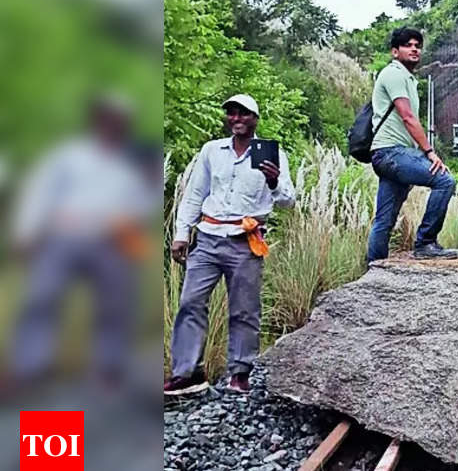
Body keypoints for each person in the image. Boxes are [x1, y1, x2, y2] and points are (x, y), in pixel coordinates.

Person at [8, 93, 156, 389]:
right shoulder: (68, 155)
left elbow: (144, 201)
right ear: (96, 120)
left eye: (118, 121)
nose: (111, 125)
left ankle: (110, 367)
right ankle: (29, 366)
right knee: (41, 297)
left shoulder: (132, 161)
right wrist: (26, 233)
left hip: (111, 240)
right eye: (106, 118)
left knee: (116, 305)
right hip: (63, 234)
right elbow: (41, 192)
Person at [164, 93, 295, 395]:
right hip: (208, 238)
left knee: (244, 309)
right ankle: (186, 372)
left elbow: (289, 200)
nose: (237, 119)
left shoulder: (273, 154)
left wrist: (274, 181)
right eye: (232, 114)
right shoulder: (212, 151)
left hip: (245, 241)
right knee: (190, 302)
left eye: (244, 114)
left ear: (255, 119)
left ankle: (240, 372)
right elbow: (196, 193)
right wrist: (182, 233)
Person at [367, 27, 458, 262]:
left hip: (386, 154)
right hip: (391, 152)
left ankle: (374, 267)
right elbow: (408, 117)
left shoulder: (405, 77)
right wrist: (429, 152)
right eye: (408, 45)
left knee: (384, 220)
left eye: (417, 45)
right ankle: (425, 242)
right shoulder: (395, 74)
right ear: (395, 52)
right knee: (444, 181)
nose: (415, 48)